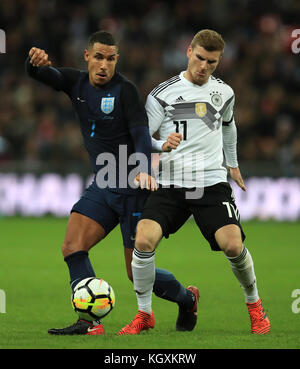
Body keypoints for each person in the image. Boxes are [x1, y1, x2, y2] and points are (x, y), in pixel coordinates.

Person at [26, 30, 199, 336]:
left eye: (111, 58)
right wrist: (33, 64)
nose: (104, 64)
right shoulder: (75, 82)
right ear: (87, 57)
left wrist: (145, 169)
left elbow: (141, 136)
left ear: (116, 59)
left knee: (136, 274)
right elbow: (45, 75)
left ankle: (186, 298)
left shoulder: (126, 91)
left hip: (133, 189)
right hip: (104, 185)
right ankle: (88, 322)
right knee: (72, 247)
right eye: (98, 57)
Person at [118, 29, 270, 336]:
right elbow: (142, 136)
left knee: (233, 244)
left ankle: (255, 306)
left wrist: (233, 164)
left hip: (211, 182)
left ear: (218, 62)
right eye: (200, 58)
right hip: (171, 182)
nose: (203, 66)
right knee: (143, 240)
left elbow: (229, 126)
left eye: (211, 62)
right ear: (189, 51)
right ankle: (145, 314)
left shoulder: (224, 93)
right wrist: (160, 146)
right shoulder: (162, 93)